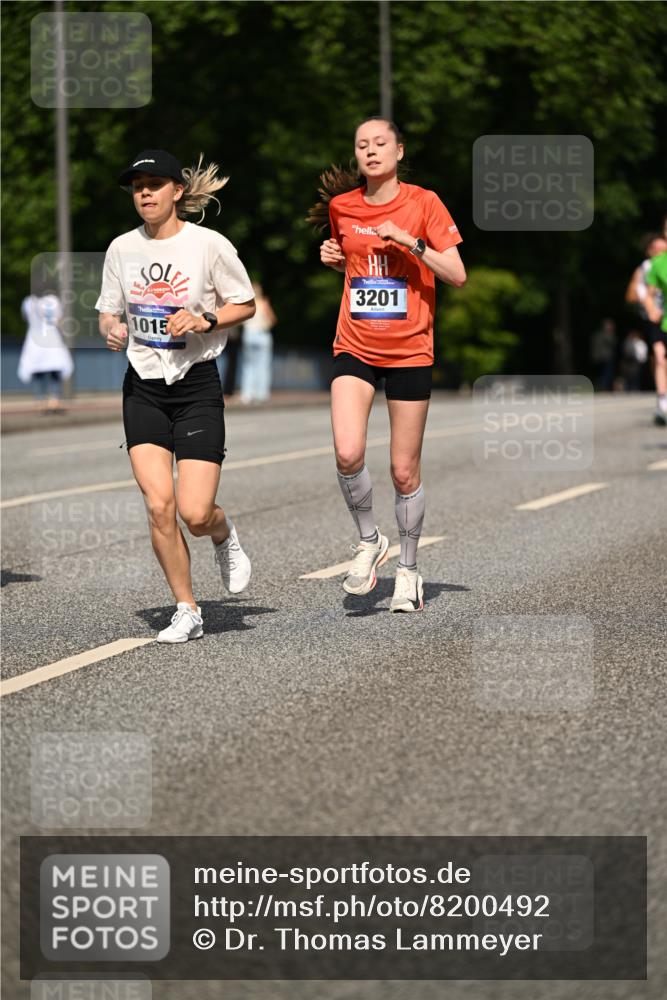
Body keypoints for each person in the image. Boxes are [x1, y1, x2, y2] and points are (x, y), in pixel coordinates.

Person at [95, 149, 256, 642]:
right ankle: (186, 608)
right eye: (137, 186)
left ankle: (223, 535)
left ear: (177, 192)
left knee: (194, 512)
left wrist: (205, 319)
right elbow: (107, 310)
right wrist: (112, 327)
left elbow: (244, 305)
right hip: (142, 386)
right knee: (159, 505)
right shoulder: (121, 249)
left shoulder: (209, 246)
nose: (144, 193)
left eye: (154, 184)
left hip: (197, 385)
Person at [309, 117, 465, 613]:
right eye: (362, 145)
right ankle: (369, 539)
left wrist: (410, 242)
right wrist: (333, 258)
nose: (371, 151)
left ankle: (409, 569)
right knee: (348, 450)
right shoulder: (342, 207)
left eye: (380, 143)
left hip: (410, 349)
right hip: (354, 343)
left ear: (399, 151)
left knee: (402, 470)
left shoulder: (424, 203)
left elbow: (457, 274)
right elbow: (354, 265)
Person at [626, 234, 667, 424]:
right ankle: (662, 401)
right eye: (656, 249)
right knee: (658, 358)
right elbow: (631, 295)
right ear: (649, 251)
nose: (660, 252)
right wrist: (648, 304)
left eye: (663, 248)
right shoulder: (644, 268)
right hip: (653, 318)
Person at [18, 289, 73, 412]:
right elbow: (59, 318)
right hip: (51, 336)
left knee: (38, 371)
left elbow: (25, 317)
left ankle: (40, 400)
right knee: (54, 370)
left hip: (35, 338)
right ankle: (54, 399)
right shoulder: (54, 301)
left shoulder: (28, 302)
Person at [240, 281, 276, 404]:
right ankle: (262, 393)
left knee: (248, 365)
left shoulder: (246, 304)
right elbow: (272, 319)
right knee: (263, 365)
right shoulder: (263, 303)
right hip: (262, 334)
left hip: (249, 334)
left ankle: (247, 394)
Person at [645, 248, 667, 425]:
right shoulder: (655, 264)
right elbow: (648, 294)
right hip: (662, 322)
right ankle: (662, 402)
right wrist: (651, 310)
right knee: (660, 360)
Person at [590, 318, 617, 391]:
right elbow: (613, 343)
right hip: (605, 358)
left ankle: (601, 387)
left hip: (599, 357)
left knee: (602, 374)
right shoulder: (606, 335)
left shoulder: (597, 334)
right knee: (606, 374)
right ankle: (603, 388)